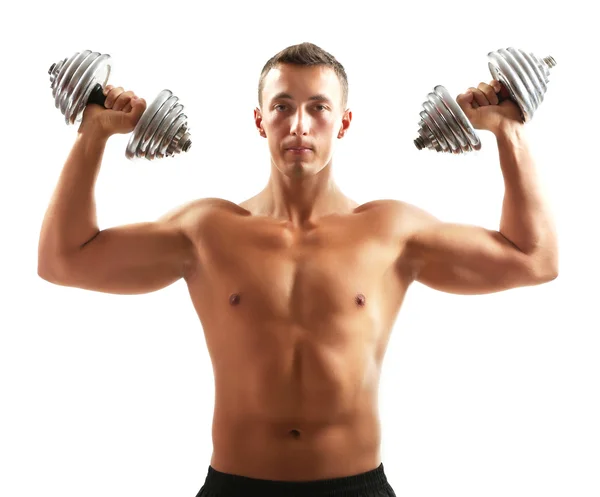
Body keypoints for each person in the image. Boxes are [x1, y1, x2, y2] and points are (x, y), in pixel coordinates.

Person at [37, 42, 559, 497]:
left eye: (318, 108)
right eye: (282, 107)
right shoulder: (208, 231)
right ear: (260, 120)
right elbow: (64, 259)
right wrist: (94, 134)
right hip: (234, 488)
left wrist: (508, 132)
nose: (299, 125)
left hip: (357, 489)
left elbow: (532, 259)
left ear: (344, 122)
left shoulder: (391, 232)